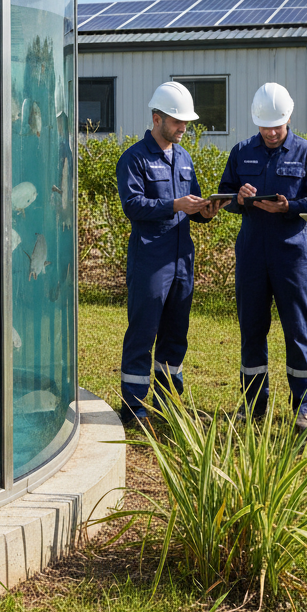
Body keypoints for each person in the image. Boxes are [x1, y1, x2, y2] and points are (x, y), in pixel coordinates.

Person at [218, 83, 307, 430]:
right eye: (264, 127)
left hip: (291, 254)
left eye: (277, 126)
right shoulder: (241, 151)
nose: (271, 132)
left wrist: (288, 207)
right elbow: (225, 198)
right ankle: (253, 403)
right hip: (251, 253)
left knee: (298, 329)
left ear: (289, 118)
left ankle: (304, 405)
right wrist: (240, 197)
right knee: (252, 329)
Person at [116, 81, 224, 427]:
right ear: (157, 118)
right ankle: (133, 407)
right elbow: (133, 206)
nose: (183, 129)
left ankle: (168, 402)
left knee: (176, 333)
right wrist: (174, 205)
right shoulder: (134, 158)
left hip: (181, 259)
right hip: (150, 258)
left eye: (186, 123)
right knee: (143, 331)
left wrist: (204, 212)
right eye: (177, 122)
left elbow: (190, 204)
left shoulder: (184, 158)